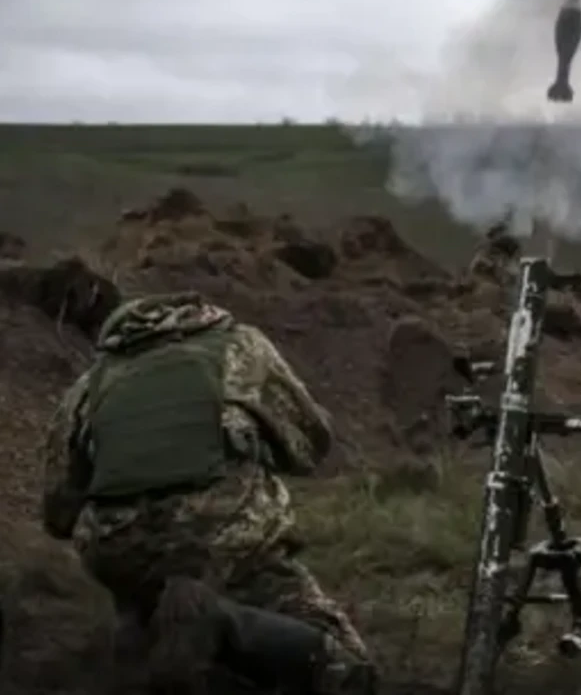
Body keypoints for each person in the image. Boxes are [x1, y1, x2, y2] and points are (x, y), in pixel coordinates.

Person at [39, 291, 377, 694]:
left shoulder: (89, 384)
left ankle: (142, 640)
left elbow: (58, 511)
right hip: (223, 538)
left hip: (122, 557)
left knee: (144, 612)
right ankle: (221, 622)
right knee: (349, 670)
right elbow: (311, 443)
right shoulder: (241, 346)